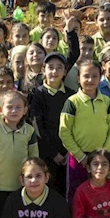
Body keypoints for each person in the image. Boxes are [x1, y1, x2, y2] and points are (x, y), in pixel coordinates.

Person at [59, 60, 110, 203]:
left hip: (100, 157)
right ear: (78, 78)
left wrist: (104, 152)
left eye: (94, 76)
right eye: (86, 76)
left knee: (98, 191)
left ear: (100, 77)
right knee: (75, 191)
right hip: (78, 158)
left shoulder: (106, 101)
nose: (90, 80)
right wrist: (81, 157)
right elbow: (64, 132)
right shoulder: (72, 102)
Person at [28, 52, 72, 194]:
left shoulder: (71, 95)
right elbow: (38, 128)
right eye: (50, 67)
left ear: (65, 71)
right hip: (46, 154)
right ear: (43, 70)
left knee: (66, 191)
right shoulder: (38, 94)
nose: (54, 71)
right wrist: (54, 154)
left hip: (68, 153)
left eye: (59, 67)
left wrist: (67, 152)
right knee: (48, 190)